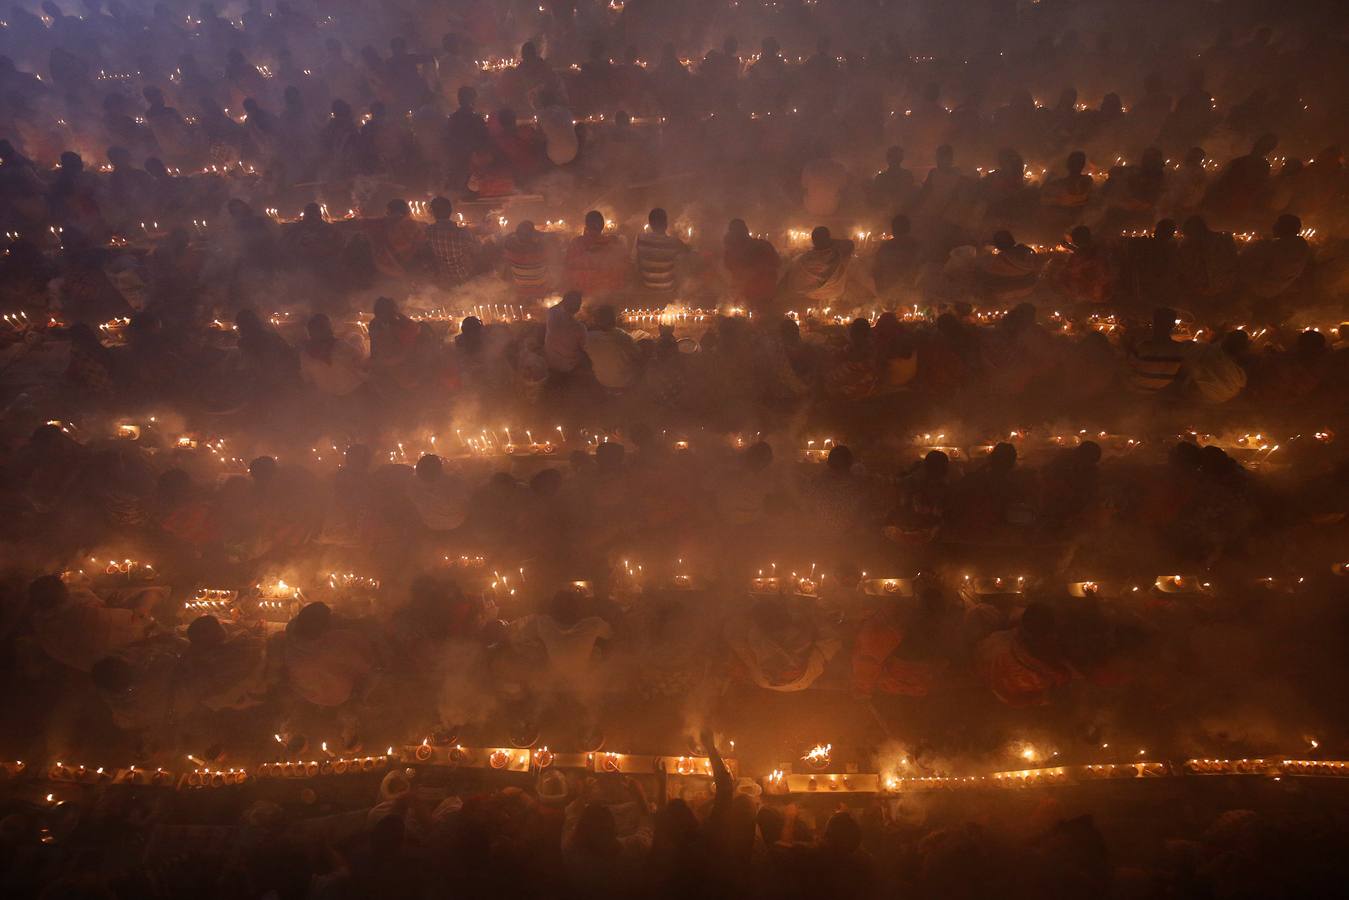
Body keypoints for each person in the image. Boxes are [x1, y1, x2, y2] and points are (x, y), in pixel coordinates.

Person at [26, 574, 155, 673]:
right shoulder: (88, 618)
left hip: (91, 667)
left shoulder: (40, 623)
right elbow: (139, 623)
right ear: (64, 593)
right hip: (116, 666)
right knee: (150, 595)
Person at [300, 313, 367, 398]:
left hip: (329, 396)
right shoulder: (340, 345)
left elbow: (307, 378)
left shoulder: (305, 353)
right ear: (327, 328)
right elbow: (360, 357)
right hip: (352, 393)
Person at [1127, 307, 1193, 393]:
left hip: (1138, 391)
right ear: (1173, 325)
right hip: (1164, 392)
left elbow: (1128, 369)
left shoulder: (1143, 347)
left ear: (1154, 323)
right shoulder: (1180, 349)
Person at [563, 211, 628, 299]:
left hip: (581, 294)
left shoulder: (576, 243)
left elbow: (567, 270)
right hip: (608, 294)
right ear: (602, 226)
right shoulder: (613, 243)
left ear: (586, 225)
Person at [784, 226, 854, 305]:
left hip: (811, 294)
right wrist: (830, 242)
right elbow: (850, 244)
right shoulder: (838, 254)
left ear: (813, 240)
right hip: (835, 292)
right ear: (829, 239)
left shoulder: (803, 259)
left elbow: (794, 280)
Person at [722, 218, 779, 312]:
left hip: (758, 295)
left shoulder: (761, 246)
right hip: (759, 296)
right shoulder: (763, 245)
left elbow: (776, 263)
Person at [425, 196, 480, 287]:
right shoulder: (461, 231)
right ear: (450, 211)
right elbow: (477, 250)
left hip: (443, 276)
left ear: (433, 213)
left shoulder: (428, 230)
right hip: (463, 275)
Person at [586, 305, 643, 391]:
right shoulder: (623, 337)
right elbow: (638, 355)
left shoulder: (589, 338)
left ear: (596, 321)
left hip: (602, 381)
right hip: (625, 382)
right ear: (614, 320)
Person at [634, 207, 688, 295]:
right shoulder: (674, 242)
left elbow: (634, 261)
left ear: (650, 224)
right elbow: (690, 253)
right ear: (666, 224)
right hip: (668, 289)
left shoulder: (640, 239)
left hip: (647, 287)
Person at [545, 289, 589, 377]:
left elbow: (554, 307)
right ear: (578, 308)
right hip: (568, 367)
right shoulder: (580, 328)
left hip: (550, 361)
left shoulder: (552, 314)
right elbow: (585, 348)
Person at [871, 145, 916, 210]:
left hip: (903, 211)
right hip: (887, 212)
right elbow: (876, 198)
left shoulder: (907, 175)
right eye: (894, 157)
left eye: (897, 158)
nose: (895, 160)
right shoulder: (881, 178)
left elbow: (910, 195)